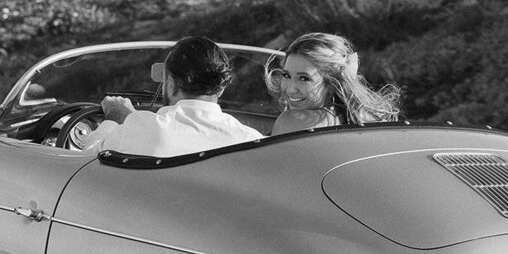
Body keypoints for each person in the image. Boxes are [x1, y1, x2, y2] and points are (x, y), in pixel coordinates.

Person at [83, 36, 263, 157]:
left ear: (170, 84)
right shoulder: (252, 141)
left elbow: (87, 160)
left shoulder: (144, 129)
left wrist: (114, 118)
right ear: (221, 89)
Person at [265, 32, 401, 135]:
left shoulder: (292, 121)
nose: (290, 89)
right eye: (286, 75)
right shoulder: (366, 121)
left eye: (304, 79)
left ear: (331, 84)